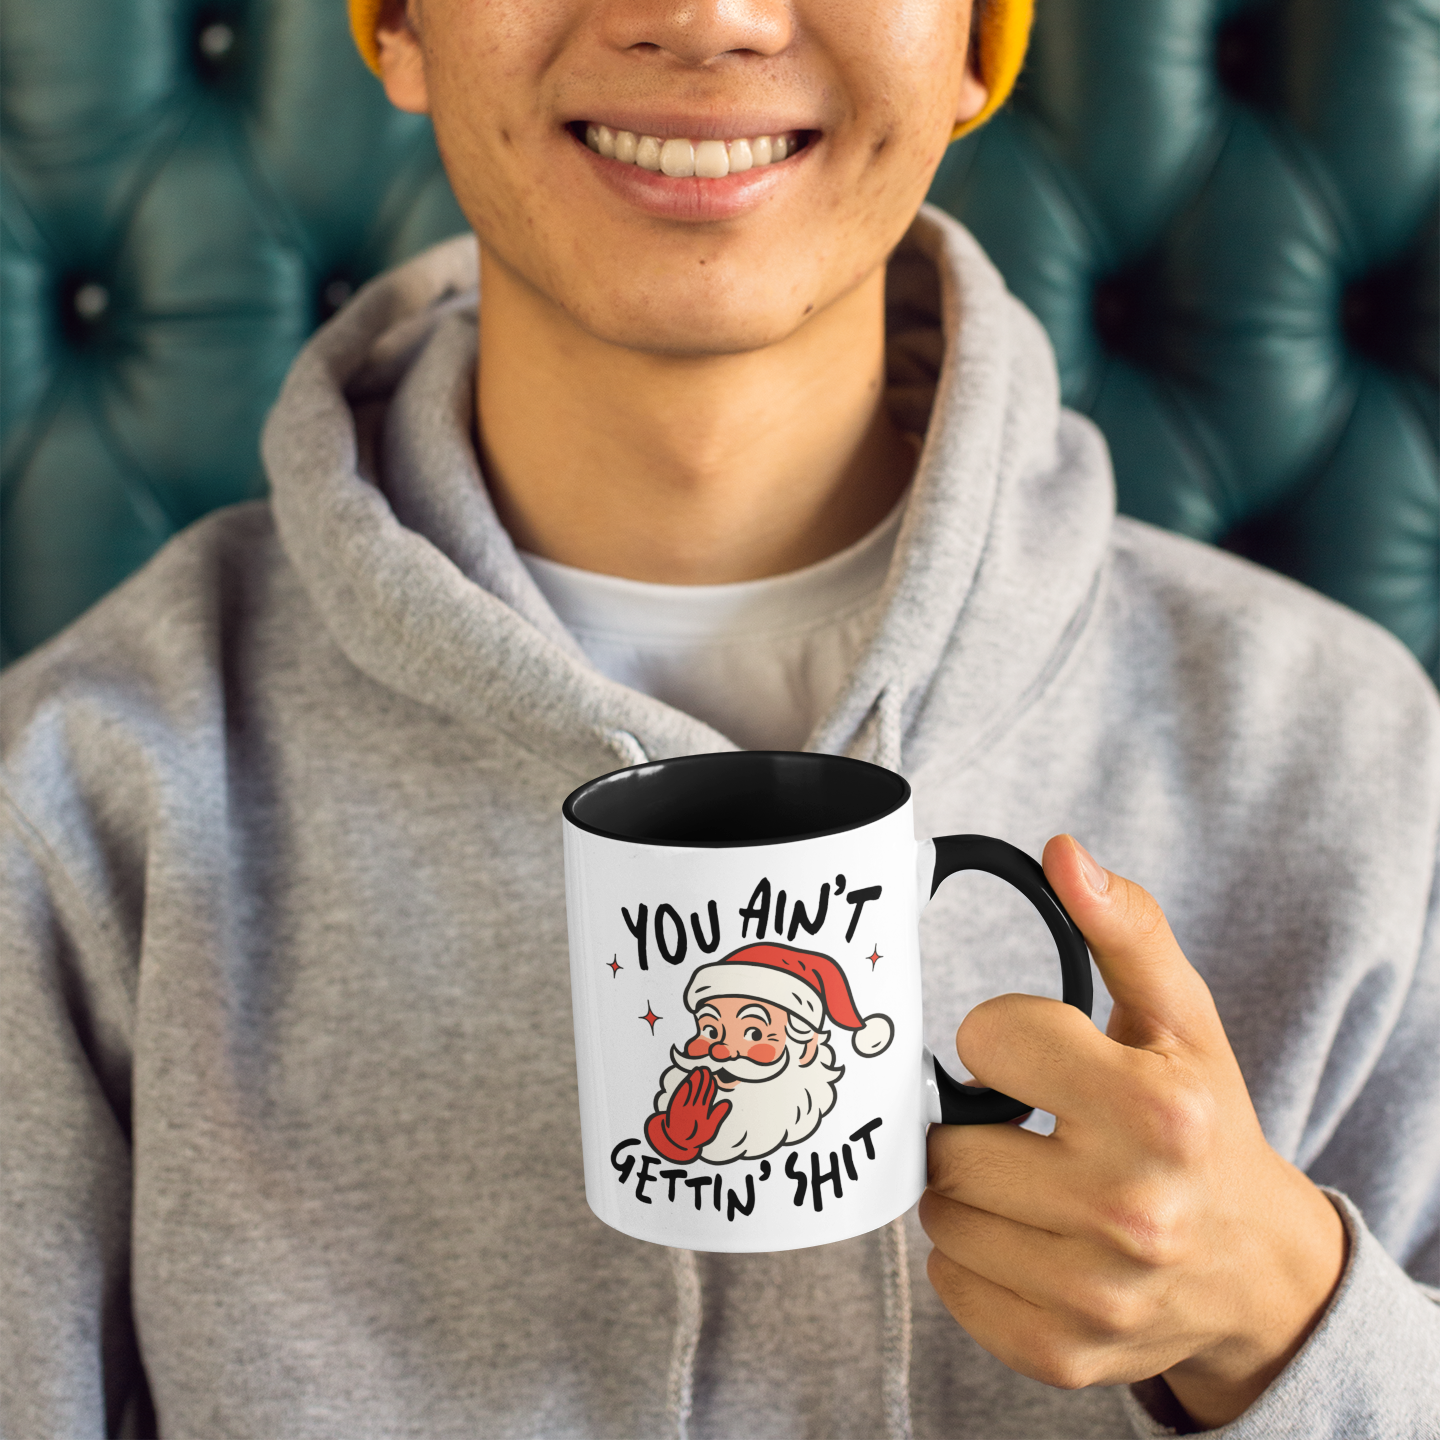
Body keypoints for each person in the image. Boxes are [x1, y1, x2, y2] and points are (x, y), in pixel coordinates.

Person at [1, 0, 1437, 1435]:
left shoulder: (1349, 758)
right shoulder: (79, 797)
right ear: (398, 24)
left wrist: (1290, 1323)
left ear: (976, 47)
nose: (706, 18)